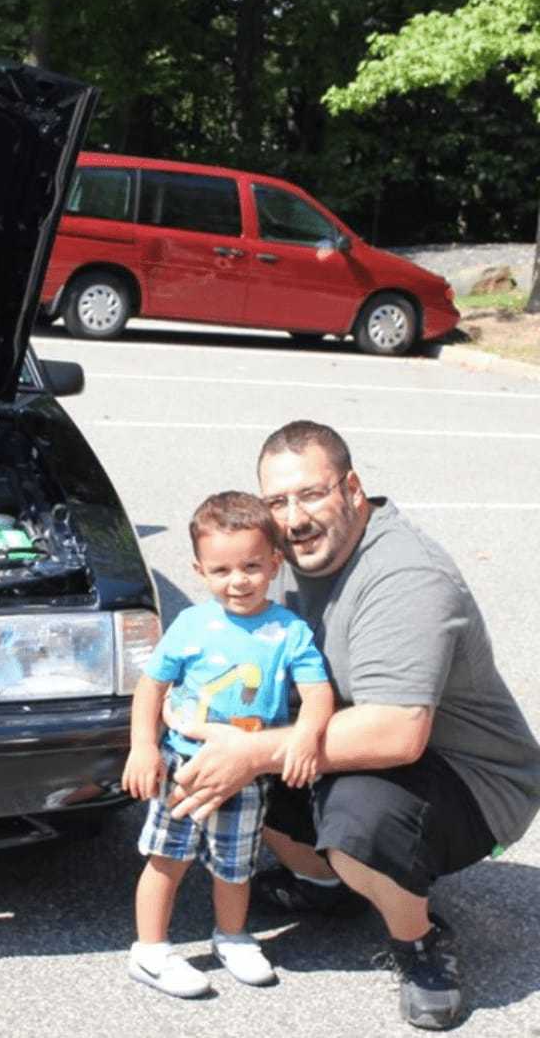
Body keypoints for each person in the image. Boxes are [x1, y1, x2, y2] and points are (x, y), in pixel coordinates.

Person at [167, 420, 540, 1030]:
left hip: (469, 777)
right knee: (236, 748)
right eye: (277, 502)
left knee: (357, 817)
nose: (294, 518)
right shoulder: (276, 558)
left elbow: (398, 733)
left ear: (352, 488)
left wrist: (250, 752)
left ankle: (419, 944)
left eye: (311, 494)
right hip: (343, 731)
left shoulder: (404, 576)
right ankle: (325, 885)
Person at [121, 491, 334, 998]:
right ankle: (149, 952)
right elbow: (151, 687)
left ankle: (233, 937)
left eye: (251, 566)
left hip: (245, 773)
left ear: (275, 564)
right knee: (165, 859)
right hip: (184, 769)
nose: (237, 581)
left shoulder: (289, 630)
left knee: (236, 864)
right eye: (221, 570)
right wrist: (143, 748)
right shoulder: (192, 625)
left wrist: (307, 734)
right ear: (199, 569)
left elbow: (318, 691)